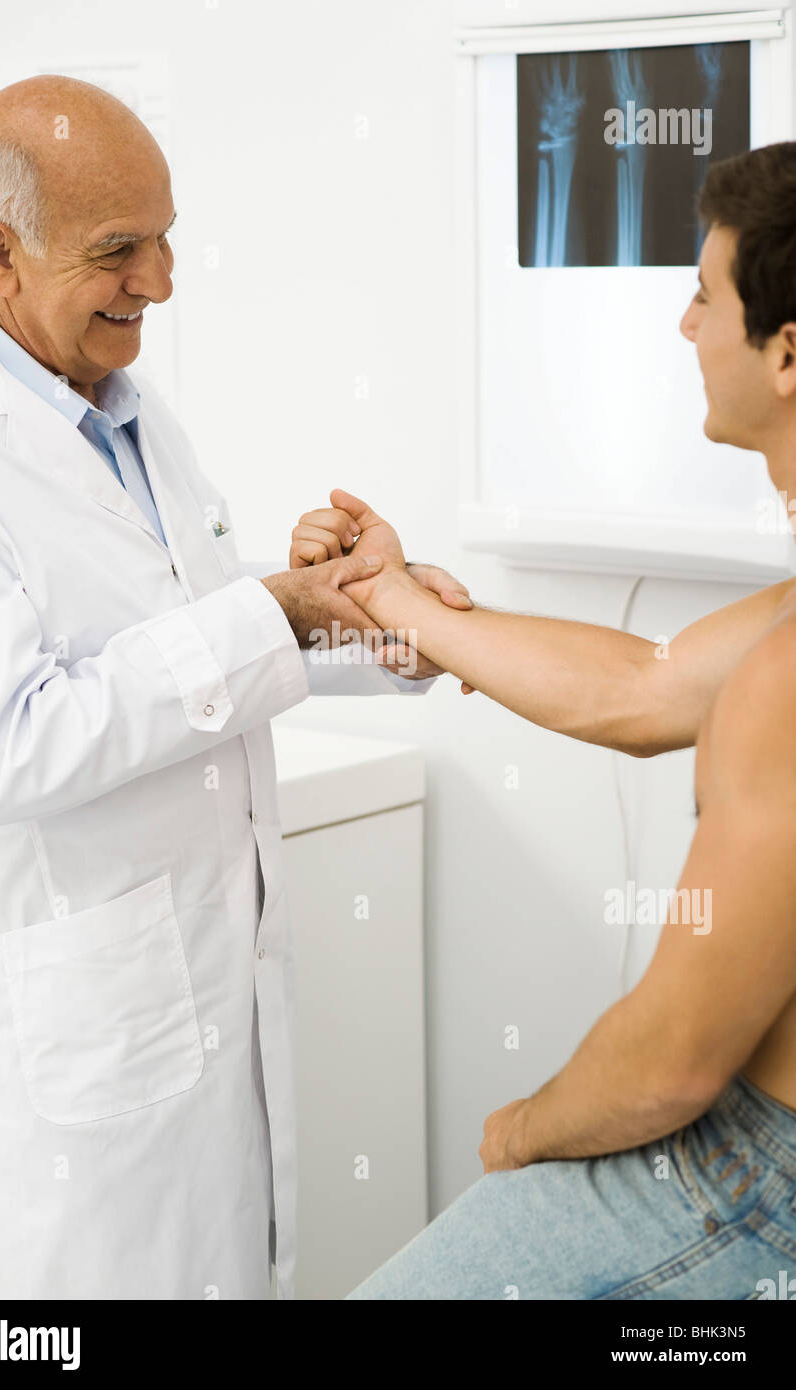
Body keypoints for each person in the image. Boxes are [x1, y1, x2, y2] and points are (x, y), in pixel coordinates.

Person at [0, 73, 469, 1300]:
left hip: (212, 1009)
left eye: (167, 238)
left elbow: (198, 649)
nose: (162, 283)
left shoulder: (121, 408)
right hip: (84, 1068)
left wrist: (381, 619)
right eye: (122, 250)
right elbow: (0, 749)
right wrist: (269, 611)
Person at [294, 142, 796, 1299]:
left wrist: (521, 1128)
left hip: (752, 1178)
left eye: (703, 295)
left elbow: (668, 1066)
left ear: (784, 351)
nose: (682, 327)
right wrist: (392, 595)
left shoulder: (781, 683)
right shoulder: (773, 641)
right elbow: (641, 685)